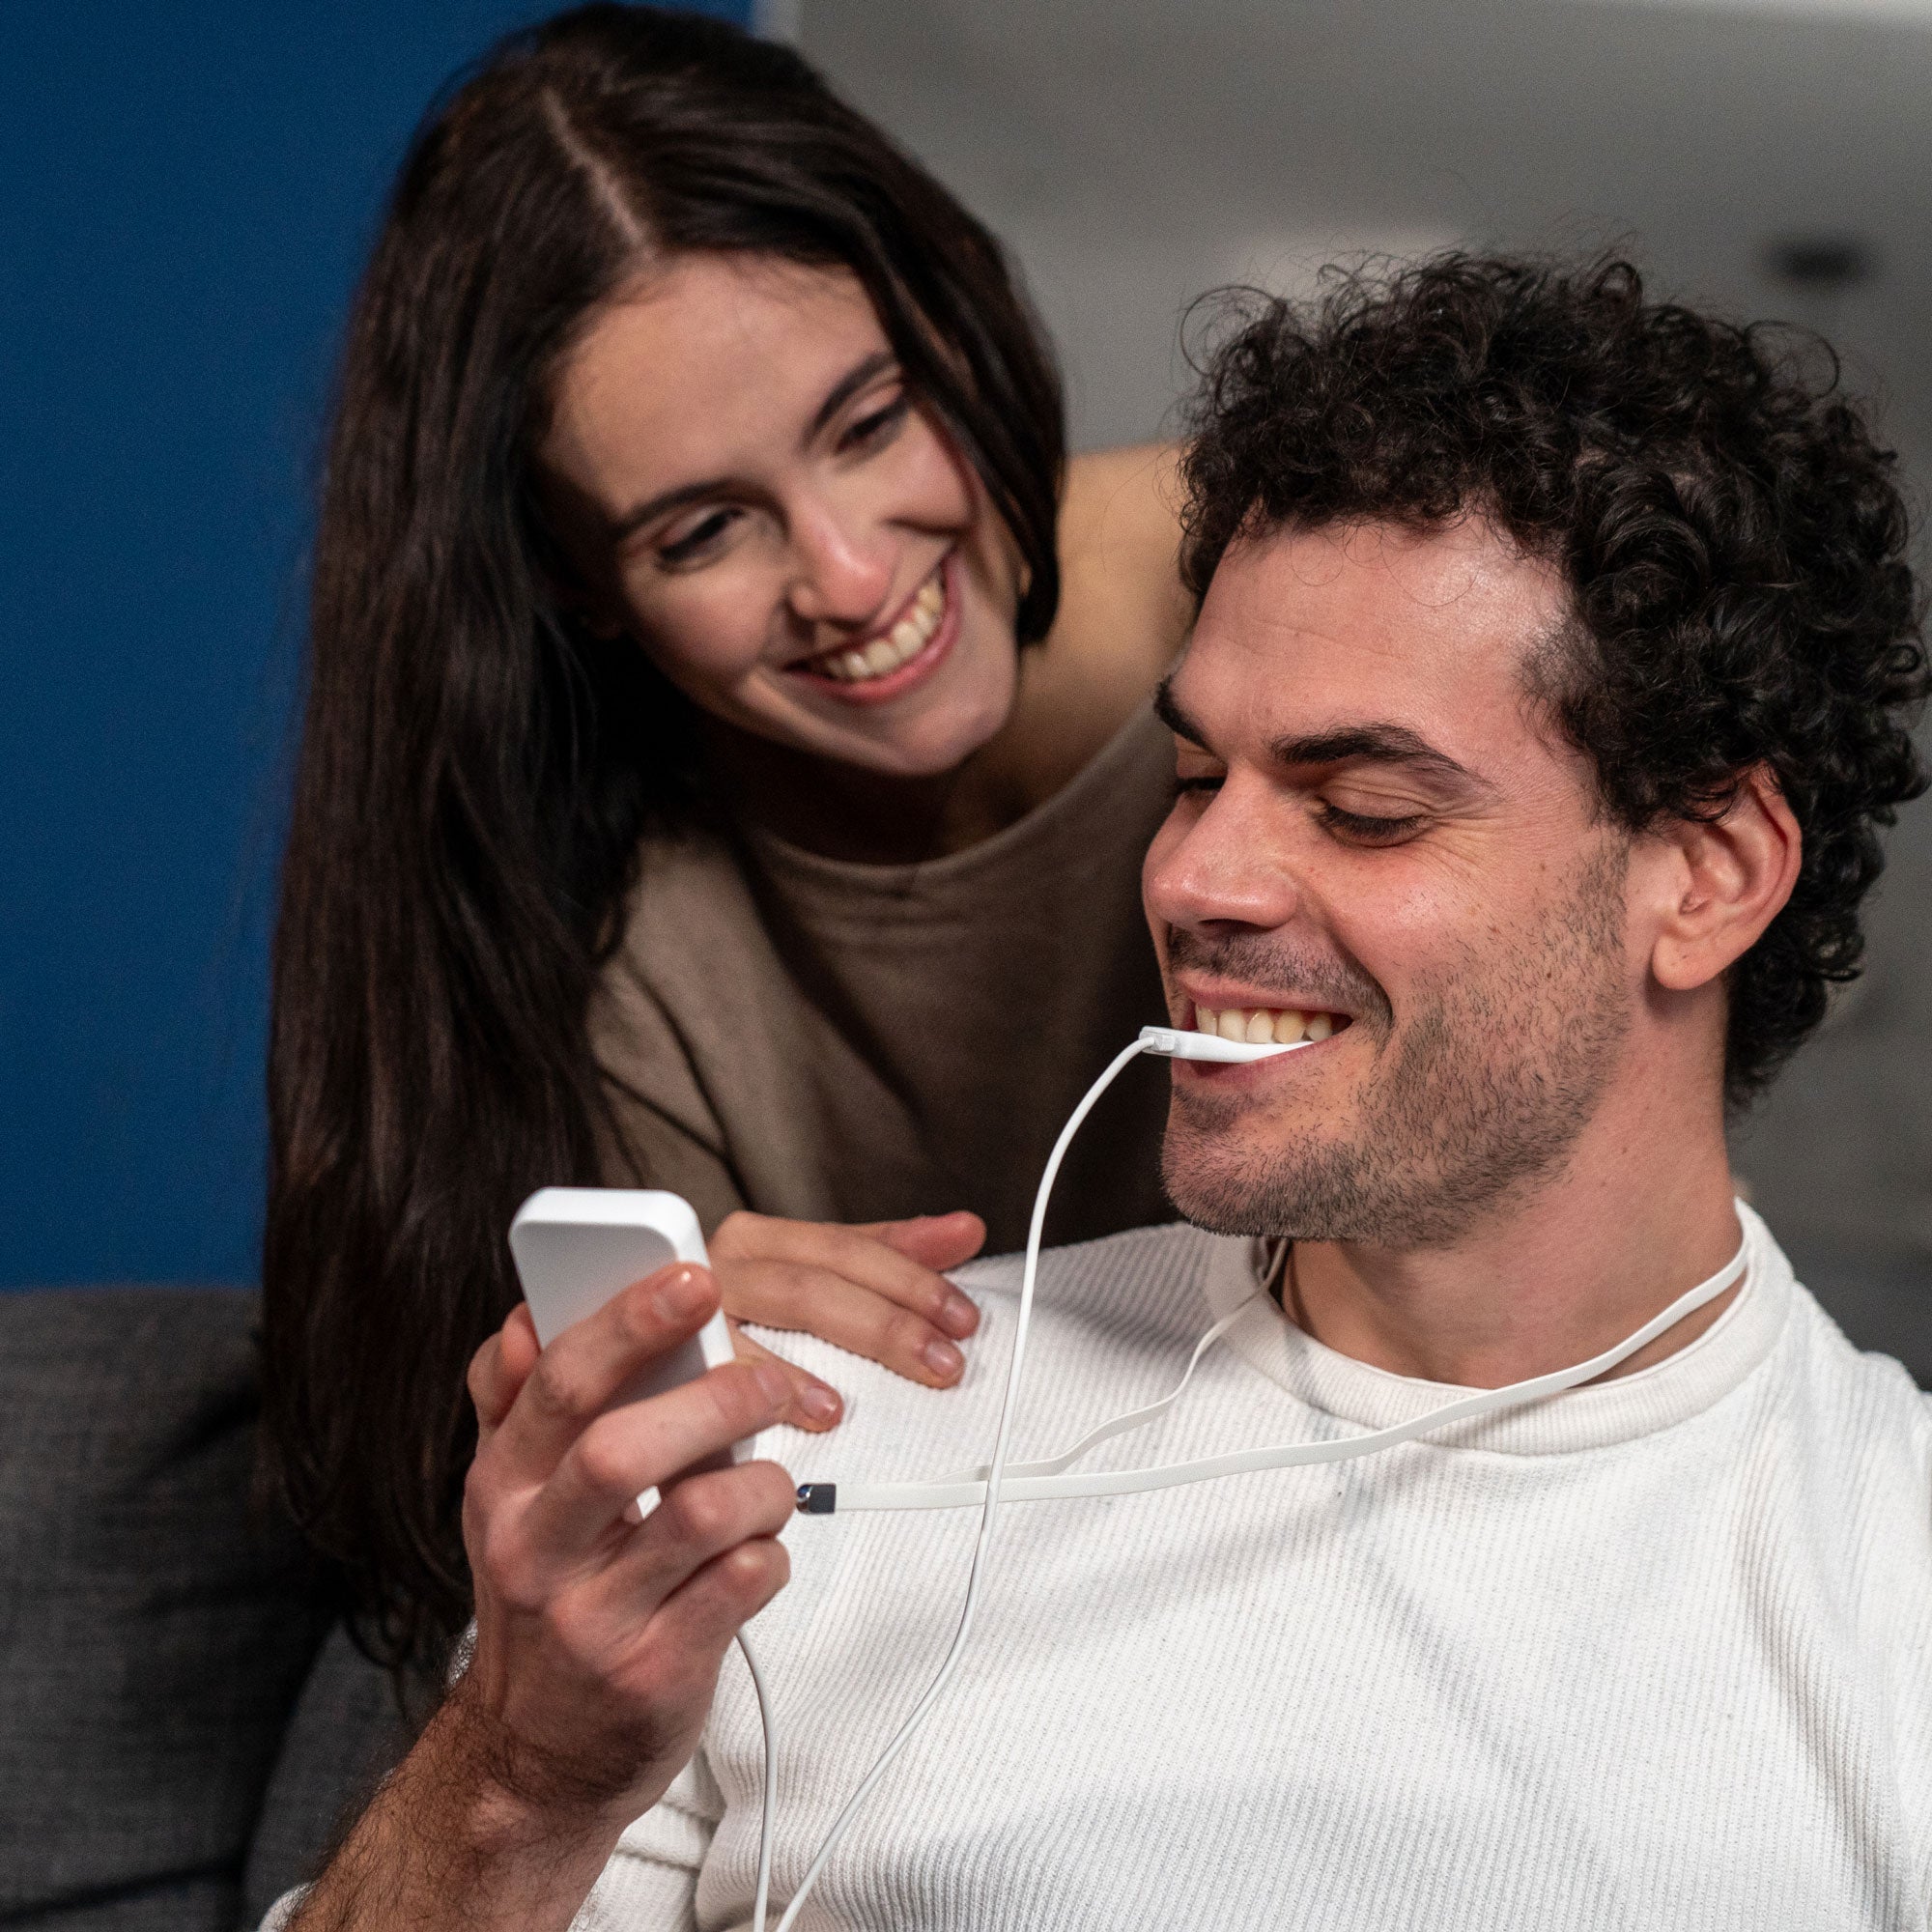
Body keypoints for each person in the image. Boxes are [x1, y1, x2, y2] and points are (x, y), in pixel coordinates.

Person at [271, 253, 1932, 1932]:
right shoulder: (827, 1445)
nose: (1197, 875)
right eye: (1197, 774)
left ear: (1709, 875)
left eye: (1361, 807)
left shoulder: (1892, 1597)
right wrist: (520, 1774)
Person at [259, 4, 1192, 1685]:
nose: (846, 576)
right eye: (702, 529)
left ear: (952, 325)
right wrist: (664, 1370)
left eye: (871, 420)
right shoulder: (611, 951)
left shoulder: (1279, 592)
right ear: (574, 588)